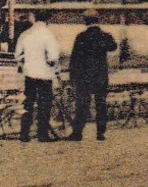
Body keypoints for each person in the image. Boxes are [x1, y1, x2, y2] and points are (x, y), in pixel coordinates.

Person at [67, 9, 119, 142]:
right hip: (101, 76)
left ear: (85, 21)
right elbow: (113, 46)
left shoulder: (81, 37)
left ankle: (77, 133)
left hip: (84, 77)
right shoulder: (105, 36)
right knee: (101, 104)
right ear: (98, 20)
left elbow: (75, 59)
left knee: (82, 104)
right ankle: (100, 133)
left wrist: (73, 76)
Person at [16, 9, 63, 143]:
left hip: (29, 74)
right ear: (47, 20)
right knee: (44, 104)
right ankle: (42, 134)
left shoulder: (26, 34)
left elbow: (18, 55)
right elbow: (53, 57)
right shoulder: (48, 35)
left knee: (28, 103)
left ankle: (24, 133)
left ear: (35, 19)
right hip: (44, 75)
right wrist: (49, 63)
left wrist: (29, 60)